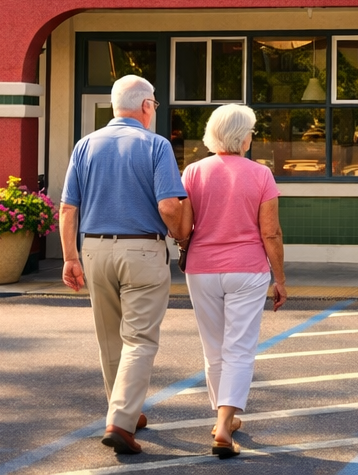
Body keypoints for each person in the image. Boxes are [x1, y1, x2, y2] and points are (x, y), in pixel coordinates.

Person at [59, 75, 188, 456]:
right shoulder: (156, 145)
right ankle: (120, 419)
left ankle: (125, 410)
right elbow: (168, 205)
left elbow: (68, 208)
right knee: (140, 339)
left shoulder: (85, 145)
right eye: (155, 106)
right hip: (143, 251)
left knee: (110, 337)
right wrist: (182, 235)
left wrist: (69, 256)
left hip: (95, 249)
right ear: (146, 106)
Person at [173, 104, 287, 460]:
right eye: (251, 131)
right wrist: (279, 278)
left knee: (214, 346)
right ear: (242, 136)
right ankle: (225, 422)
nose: (253, 137)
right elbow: (271, 233)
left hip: (202, 269)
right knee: (239, 346)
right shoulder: (261, 174)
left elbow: (185, 228)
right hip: (247, 270)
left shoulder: (193, 172)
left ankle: (223, 417)